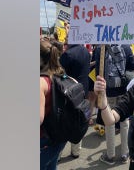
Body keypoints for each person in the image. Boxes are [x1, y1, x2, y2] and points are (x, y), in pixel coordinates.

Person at [92, 44, 134, 165]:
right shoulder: (126, 46)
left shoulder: (100, 48)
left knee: (109, 122)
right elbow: (133, 66)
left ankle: (110, 155)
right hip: (123, 90)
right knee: (125, 121)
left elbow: (97, 71)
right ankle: (125, 154)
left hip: (108, 90)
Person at [59, 42, 91, 159]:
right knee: (78, 119)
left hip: (70, 91)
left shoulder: (68, 54)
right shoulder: (86, 51)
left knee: (65, 121)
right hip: (83, 89)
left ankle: (59, 153)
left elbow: (59, 73)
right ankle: (76, 150)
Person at [40, 40, 67, 170]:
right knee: (51, 165)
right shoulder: (60, 73)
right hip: (59, 133)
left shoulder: (41, 82)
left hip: (44, 137)